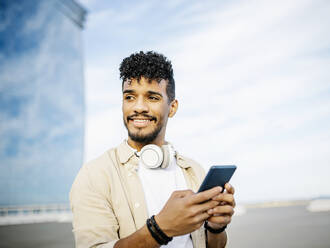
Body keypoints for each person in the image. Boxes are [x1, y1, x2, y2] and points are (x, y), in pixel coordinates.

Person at [70, 51, 236, 248]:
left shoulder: (194, 171)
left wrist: (216, 228)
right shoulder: (95, 175)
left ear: (172, 108)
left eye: (152, 97)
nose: (138, 107)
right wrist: (160, 229)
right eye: (130, 97)